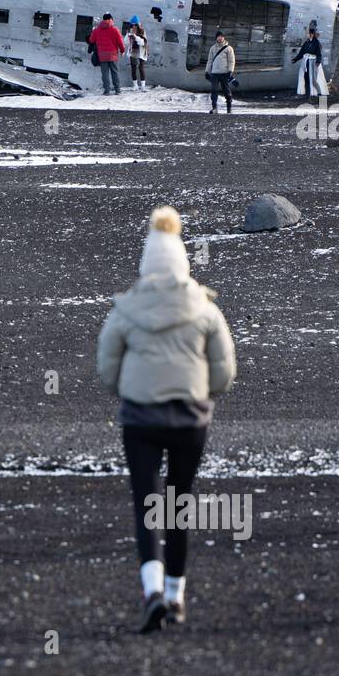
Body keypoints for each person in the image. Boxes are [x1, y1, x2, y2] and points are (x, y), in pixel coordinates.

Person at [96, 206, 237, 633]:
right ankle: (176, 596)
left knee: (146, 503)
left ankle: (152, 591)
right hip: (189, 419)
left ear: (146, 264)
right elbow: (224, 372)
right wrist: (203, 393)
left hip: (140, 419)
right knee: (179, 503)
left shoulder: (125, 310)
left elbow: (107, 368)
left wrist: (131, 389)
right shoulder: (205, 309)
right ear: (183, 263)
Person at [88, 13, 126, 95]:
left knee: (105, 73)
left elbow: (91, 40)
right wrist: (122, 51)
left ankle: (107, 90)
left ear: (103, 19)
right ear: (111, 19)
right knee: (114, 72)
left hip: (102, 55)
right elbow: (120, 42)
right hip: (113, 55)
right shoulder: (115, 29)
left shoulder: (97, 30)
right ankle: (117, 90)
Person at [292, 29, 328, 97]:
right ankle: (308, 94)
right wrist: (296, 59)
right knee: (305, 78)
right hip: (306, 62)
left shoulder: (316, 43)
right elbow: (302, 52)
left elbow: (319, 54)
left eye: (308, 33)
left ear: (312, 34)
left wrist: (318, 62)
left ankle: (319, 93)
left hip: (313, 62)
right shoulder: (307, 42)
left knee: (313, 79)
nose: (306, 35)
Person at [205, 31, 235, 113]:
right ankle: (215, 108)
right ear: (216, 38)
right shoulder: (212, 48)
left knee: (226, 91)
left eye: (222, 36)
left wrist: (230, 71)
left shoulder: (229, 48)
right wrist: (207, 71)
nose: (220, 38)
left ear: (224, 37)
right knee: (214, 90)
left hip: (224, 73)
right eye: (218, 36)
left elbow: (231, 61)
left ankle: (229, 108)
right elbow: (210, 61)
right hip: (214, 73)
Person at [127, 23, 148, 91]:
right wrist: (128, 37)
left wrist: (136, 37)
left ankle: (143, 86)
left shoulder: (142, 32)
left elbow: (142, 43)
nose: (133, 28)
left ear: (138, 27)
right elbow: (126, 42)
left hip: (141, 52)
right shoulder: (130, 32)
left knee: (141, 68)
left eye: (135, 27)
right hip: (133, 52)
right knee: (133, 68)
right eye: (132, 27)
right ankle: (135, 85)